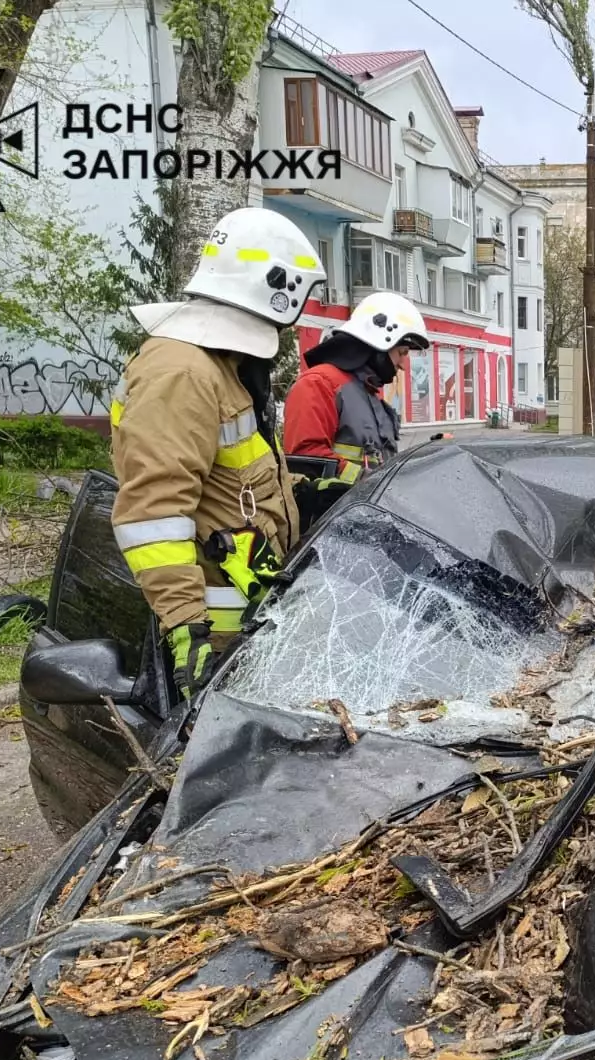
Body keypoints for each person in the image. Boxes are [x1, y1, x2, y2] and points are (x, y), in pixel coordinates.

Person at [108, 206, 326, 699]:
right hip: (214, 640)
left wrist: (303, 493)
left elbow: (230, 483)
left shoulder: (219, 365)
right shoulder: (182, 372)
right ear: (277, 288)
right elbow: (153, 513)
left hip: (249, 626)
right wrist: (187, 625)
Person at [281, 292, 430, 487]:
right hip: (334, 506)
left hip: (366, 504)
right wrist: (365, 480)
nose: (403, 365)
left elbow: (379, 461)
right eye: (402, 352)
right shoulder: (319, 384)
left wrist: (428, 454)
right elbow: (306, 459)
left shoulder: (367, 393)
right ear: (378, 344)